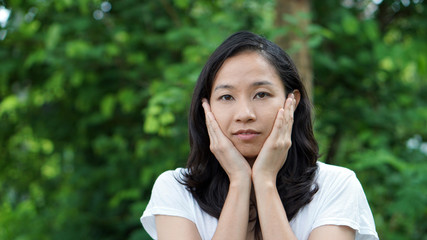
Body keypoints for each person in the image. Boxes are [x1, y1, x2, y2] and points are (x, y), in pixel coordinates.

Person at [141, 31, 379, 240]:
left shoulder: (336, 186)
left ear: (292, 101)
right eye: (226, 97)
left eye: (261, 94)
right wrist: (239, 180)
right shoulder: (175, 190)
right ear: (206, 108)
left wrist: (265, 180)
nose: (244, 114)